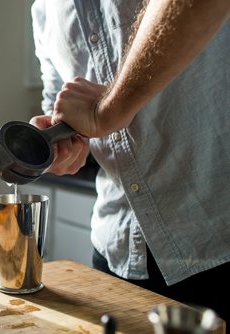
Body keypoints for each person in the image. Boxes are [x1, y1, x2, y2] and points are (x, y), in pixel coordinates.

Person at [30, 0, 230, 323]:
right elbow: (60, 107)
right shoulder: (44, 10)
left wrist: (105, 111)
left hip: (213, 245)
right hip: (115, 253)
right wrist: (56, 142)